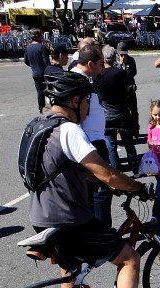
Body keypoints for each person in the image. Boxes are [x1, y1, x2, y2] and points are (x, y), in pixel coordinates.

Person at [34, 72, 160, 288]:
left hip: (41, 217)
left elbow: (66, 168)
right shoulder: (69, 130)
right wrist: (136, 187)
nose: (88, 109)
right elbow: (107, 173)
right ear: (75, 101)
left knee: (70, 268)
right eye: (87, 102)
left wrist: (101, 183)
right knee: (129, 259)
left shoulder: (36, 126)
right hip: (71, 220)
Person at [69, 44, 114, 228]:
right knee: (101, 190)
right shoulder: (79, 82)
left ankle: (94, 231)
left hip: (90, 141)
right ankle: (102, 233)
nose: (103, 67)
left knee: (90, 192)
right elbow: (77, 117)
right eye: (100, 63)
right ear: (90, 64)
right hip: (91, 143)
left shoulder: (80, 79)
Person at [95, 45, 137, 174]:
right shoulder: (120, 73)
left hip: (106, 114)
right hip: (122, 112)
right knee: (128, 142)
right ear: (115, 57)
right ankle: (134, 167)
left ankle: (116, 170)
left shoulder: (98, 76)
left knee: (111, 144)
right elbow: (128, 91)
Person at [23, 29, 50, 114]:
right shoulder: (42, 47)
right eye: (41, 36)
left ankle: (41, 108)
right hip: (44, 73)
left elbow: (26, 61)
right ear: (37, 37)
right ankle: (51, 107)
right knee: (49, 91)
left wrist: (33, 66)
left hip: (35, 73)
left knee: (40, 92)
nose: (42, 38)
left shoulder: (28, 48)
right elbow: (46, 62)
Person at [116, 41, 139, 136]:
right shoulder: (115, 61)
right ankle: (122, 130)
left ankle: (135, 129)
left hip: (130, 89)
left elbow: (134, 73)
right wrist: (120, 65)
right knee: (121, 111)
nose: (123, 56)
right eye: (121, 54)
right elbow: (115, 75)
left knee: (133, 110)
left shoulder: (131, 60)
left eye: (124, 54)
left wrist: (126, 66)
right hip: (120, 90)